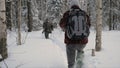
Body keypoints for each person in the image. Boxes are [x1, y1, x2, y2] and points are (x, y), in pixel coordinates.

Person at [59, 0, 91, 68]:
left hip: (70, 41)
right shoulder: (84, 13)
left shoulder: (68, 13)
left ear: (71, 5)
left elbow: (61, 24)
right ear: (78, 5)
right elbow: (89, 25)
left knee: (71, 63)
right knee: (80, 50)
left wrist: (66, 27)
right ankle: (80, 64)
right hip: (82, 41)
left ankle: (71, 66)